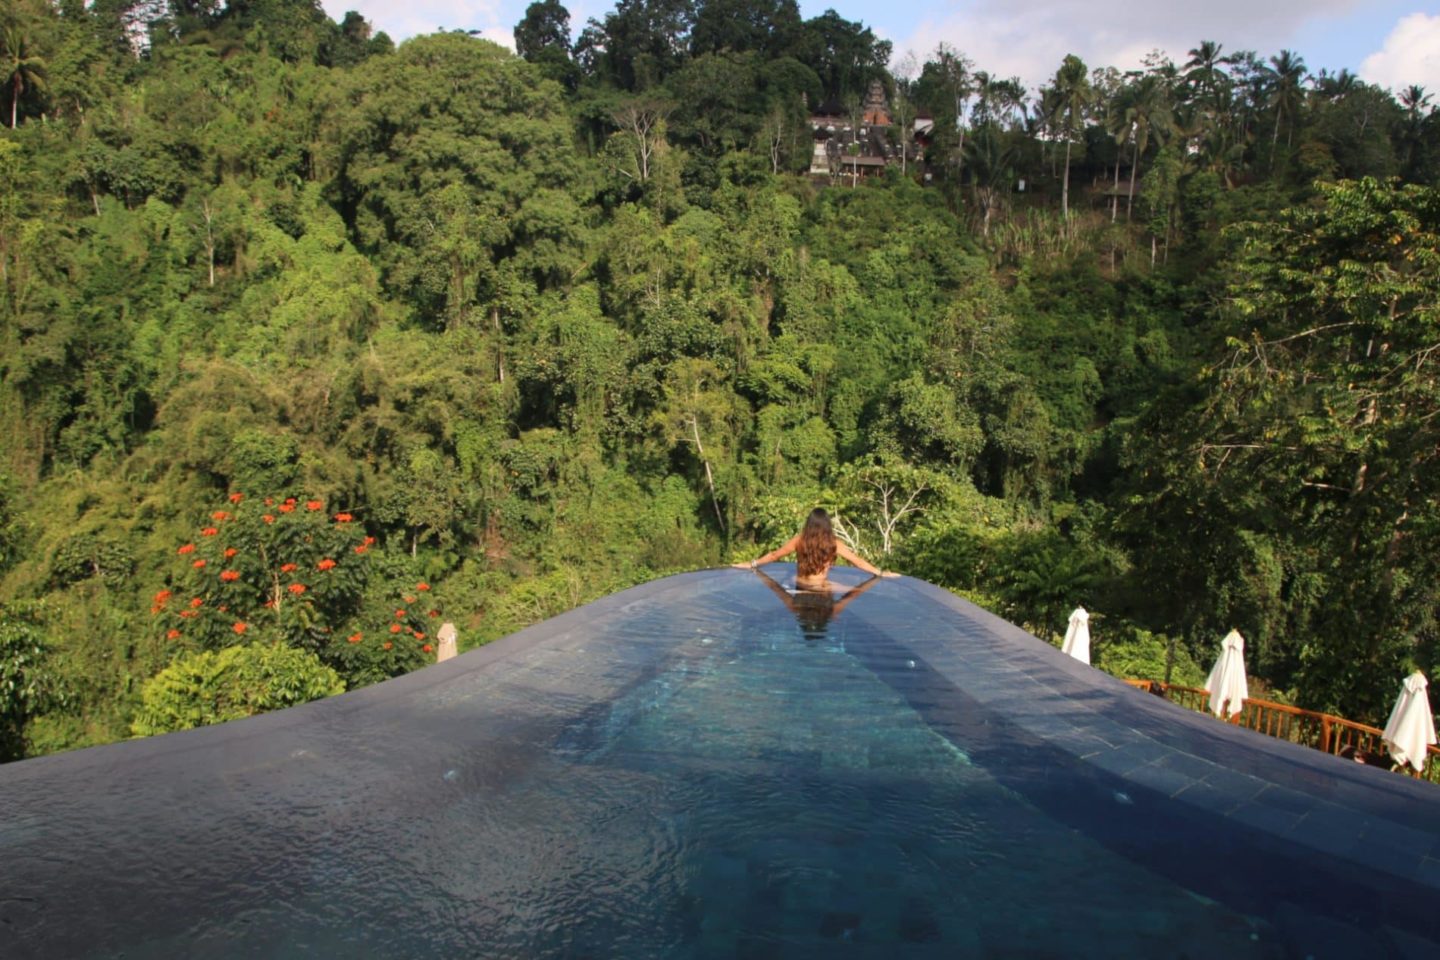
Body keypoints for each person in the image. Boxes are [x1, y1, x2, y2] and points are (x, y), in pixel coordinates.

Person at [731, 508, 895, 591]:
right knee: (857, 591)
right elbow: (857, 562)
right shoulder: (834, 543)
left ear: (809, 524)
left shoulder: (799, 541)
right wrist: (880, 573)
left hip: (798, 584)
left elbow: (774, 555)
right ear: (827, 526)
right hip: (821, 587)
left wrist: (752, 564)